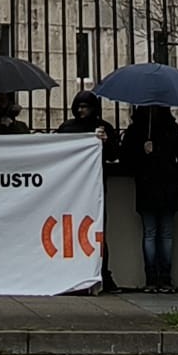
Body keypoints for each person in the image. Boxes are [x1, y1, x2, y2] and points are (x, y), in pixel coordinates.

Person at [57, 90, 121, 292]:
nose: (81, 111)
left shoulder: (104, 128)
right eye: (79, 107)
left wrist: (105, 141)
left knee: (97, 232)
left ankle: (102, 274)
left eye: (85, 107)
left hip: (95, 189)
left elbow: (114, 155)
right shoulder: (67, 128)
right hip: (71, 188)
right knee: (69, 230)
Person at [122, 104, 178, 292]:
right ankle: (161, 278)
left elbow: (126, 160)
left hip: (154, 187)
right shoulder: (170, 128)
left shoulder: (136, 130)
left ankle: (155, 278)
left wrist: (148, 156)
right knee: (161, 234)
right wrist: (144, 153)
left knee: (153, 234)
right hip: (161, 188)